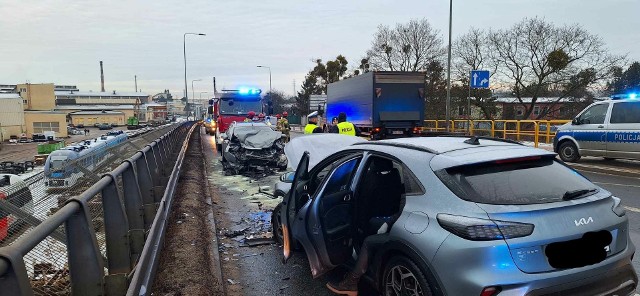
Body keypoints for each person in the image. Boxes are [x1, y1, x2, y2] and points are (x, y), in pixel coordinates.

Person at [326, 158, 404, 295]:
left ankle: (351, 282)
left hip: (385, 222)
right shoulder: (396, 177)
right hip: (394, 219)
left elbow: (363, 207)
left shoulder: (370, 180)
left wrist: (360, 226)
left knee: (368, 240)